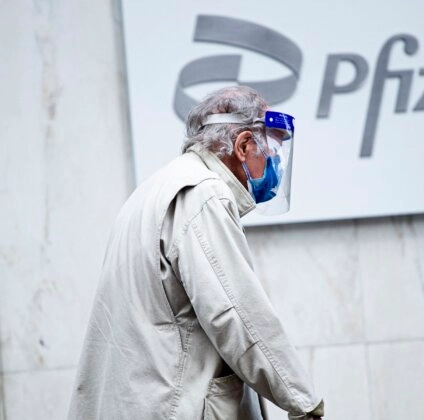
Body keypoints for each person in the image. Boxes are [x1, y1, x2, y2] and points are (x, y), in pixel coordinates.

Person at [68, 86, 324, 420]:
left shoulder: (154, 190)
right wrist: (303, 402)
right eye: (271, 149)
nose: (275, 162)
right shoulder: (203, 194)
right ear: (244, 145)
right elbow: (238, 314)